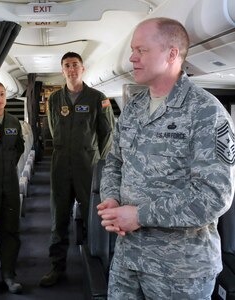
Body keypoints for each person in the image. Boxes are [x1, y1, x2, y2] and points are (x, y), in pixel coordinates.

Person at [98, 17, 235, 300]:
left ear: (172, 54)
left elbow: (214, 196)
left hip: (181, 270)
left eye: (141, 50)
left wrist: (139, 215)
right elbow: (114, 161)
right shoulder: (134, 107)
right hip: (128, 259)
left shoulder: (206, 112)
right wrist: (111, 198)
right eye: (132, 50)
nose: (132, 58)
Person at [40, 52, 115, 287]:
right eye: (66, 66)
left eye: (75, 65)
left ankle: (101, 264)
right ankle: (57, 268)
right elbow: (52, 131)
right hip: (61, 165)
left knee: (95, 219)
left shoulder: (97, 98)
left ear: (83, 69)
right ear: (62, 70)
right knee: (58, 219)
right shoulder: (54, 100)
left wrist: (95, 159)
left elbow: (108, 134)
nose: (71, 69)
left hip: (88, 168)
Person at [0, 81, 25, 294]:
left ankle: (9, 274)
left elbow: (19, 147)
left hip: (9, 182)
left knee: (11, 230)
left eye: (1, 94)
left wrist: (8, 166)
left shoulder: (13, 121)